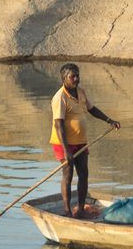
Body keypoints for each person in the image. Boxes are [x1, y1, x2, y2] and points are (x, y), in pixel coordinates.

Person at [49, 63, 120, 218]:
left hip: (80, 141)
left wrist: (109, 120)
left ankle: (80, 209)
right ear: (63, 78)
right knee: (67, 175)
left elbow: (91, 109)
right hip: (64, 143)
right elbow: (58, 124)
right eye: (72, 76)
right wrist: (67, 151)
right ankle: (67, 211)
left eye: (77, 75)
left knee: (84, 173)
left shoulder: (80, 92)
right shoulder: (59, 97)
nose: (76, 79)